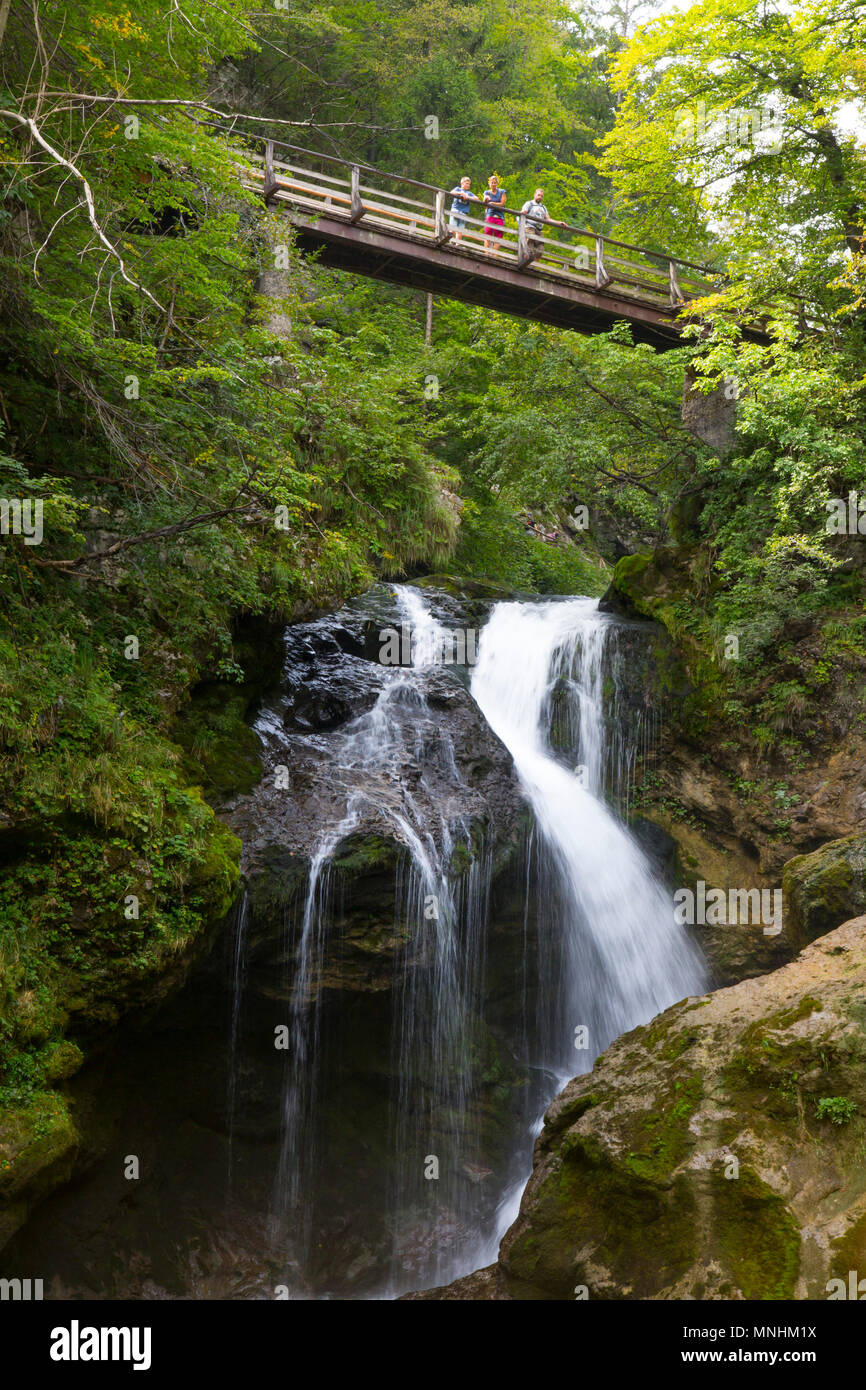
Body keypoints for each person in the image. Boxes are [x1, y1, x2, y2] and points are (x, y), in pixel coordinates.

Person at [520, 188, 568, 260]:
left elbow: (548, 219)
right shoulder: (529, 204)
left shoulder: (543, 207)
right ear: (534, 194)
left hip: (539, 229)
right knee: (531, 240)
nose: (540, 197)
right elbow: (523, 213)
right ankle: (525, 260)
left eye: (542, 196)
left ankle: (534, 264)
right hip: (529, 226)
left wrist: (559, 222)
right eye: (538, 195)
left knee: (540, 248)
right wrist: (521, 219)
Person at [483, 174, 507, 254]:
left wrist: (493, 203)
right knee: (487, 235)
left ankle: (494, 255)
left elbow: (502, 203)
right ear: (489, 183)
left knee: (498, 237)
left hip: (499, 216)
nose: (493, 184)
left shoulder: (502, 192)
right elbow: (484, 201)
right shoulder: (487, 192)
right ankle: (486, 254)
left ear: (497, 183)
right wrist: (486, 199)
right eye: (492, 182)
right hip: (490, 215)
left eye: (495, 182)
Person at [448, 176, 473, 245]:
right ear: (462, 183)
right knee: (453, 228)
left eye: (469, 184)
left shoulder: (469, 193)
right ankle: (451, 243)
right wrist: (460, 193)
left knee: (460, 230)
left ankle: (458, 245)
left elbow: (477, 198)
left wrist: (468, 197)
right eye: (466, 183)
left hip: (463, 213)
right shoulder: (458, 189)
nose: (468, 185)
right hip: (455, 210)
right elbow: (451, 192)